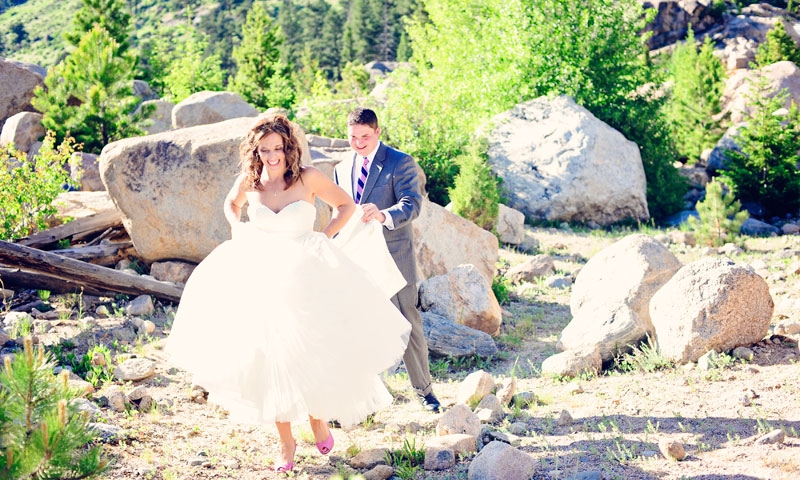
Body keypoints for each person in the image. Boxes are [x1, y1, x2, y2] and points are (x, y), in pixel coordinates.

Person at [166, 114, 412, 473]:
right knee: (268, 356)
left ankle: (317, 418)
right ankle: (286, 442)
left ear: (288, 148)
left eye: (277, 148)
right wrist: (238, 227)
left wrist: (324, 236)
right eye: (264, 150)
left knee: (310, 348)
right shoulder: (250, 181)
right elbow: (231, 205)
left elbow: (346, 207)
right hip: (263, 276)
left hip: (306, 273)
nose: (271, 156)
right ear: (256, 151)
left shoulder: (307, 177)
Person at [334, 107, 441, 413]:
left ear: (378, 132)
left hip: (393, 254)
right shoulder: (341, 167)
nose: (358, 143)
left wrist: (383, 215)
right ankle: (360, 401)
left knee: (407, 320)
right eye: (353, 137)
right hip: (353, 256)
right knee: (352, 322)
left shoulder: (399, 162)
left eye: (365, 137)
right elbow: (340, 210)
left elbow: (412, 204)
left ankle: (425, 392)